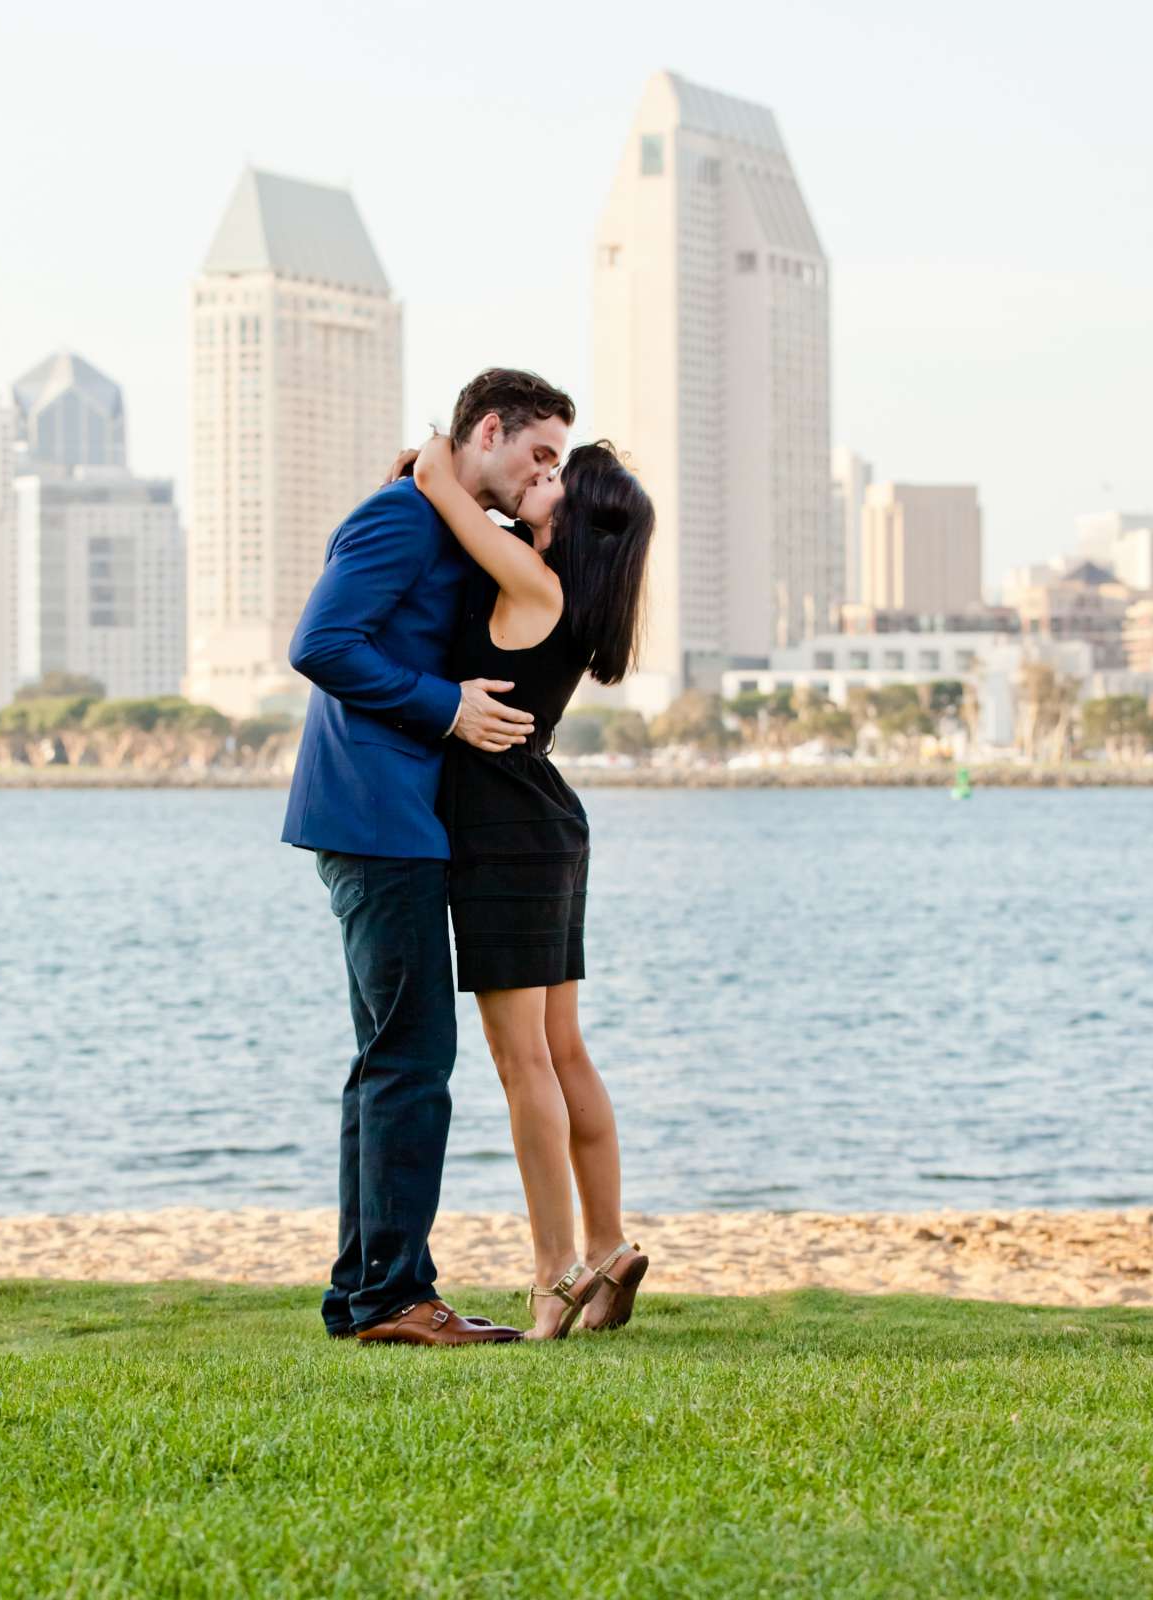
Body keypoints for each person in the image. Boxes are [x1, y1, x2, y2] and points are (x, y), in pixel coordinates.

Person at [281, 369, 573, 1347]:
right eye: (539, 454)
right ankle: (392, 1298)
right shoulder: (403, 517)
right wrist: (445, 705)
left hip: (397, 817)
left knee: (391, 1062)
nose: (548, 476)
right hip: (375, 814)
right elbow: (319, 642)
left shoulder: (435, 515)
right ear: (486, 429)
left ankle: (370, 1296)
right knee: (412, 1061)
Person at [407, 428, 656, 1340]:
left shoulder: (531, 578)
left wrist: (451, 460)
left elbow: (438, 475)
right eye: (541, 466)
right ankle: (608, 1243)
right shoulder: (575, 598)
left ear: (575, 520)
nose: (539, 481)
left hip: (507, 831)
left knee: (523, 1063)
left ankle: (555, 1274)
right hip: (546, 819)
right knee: (565, 1051)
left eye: (558, 478)